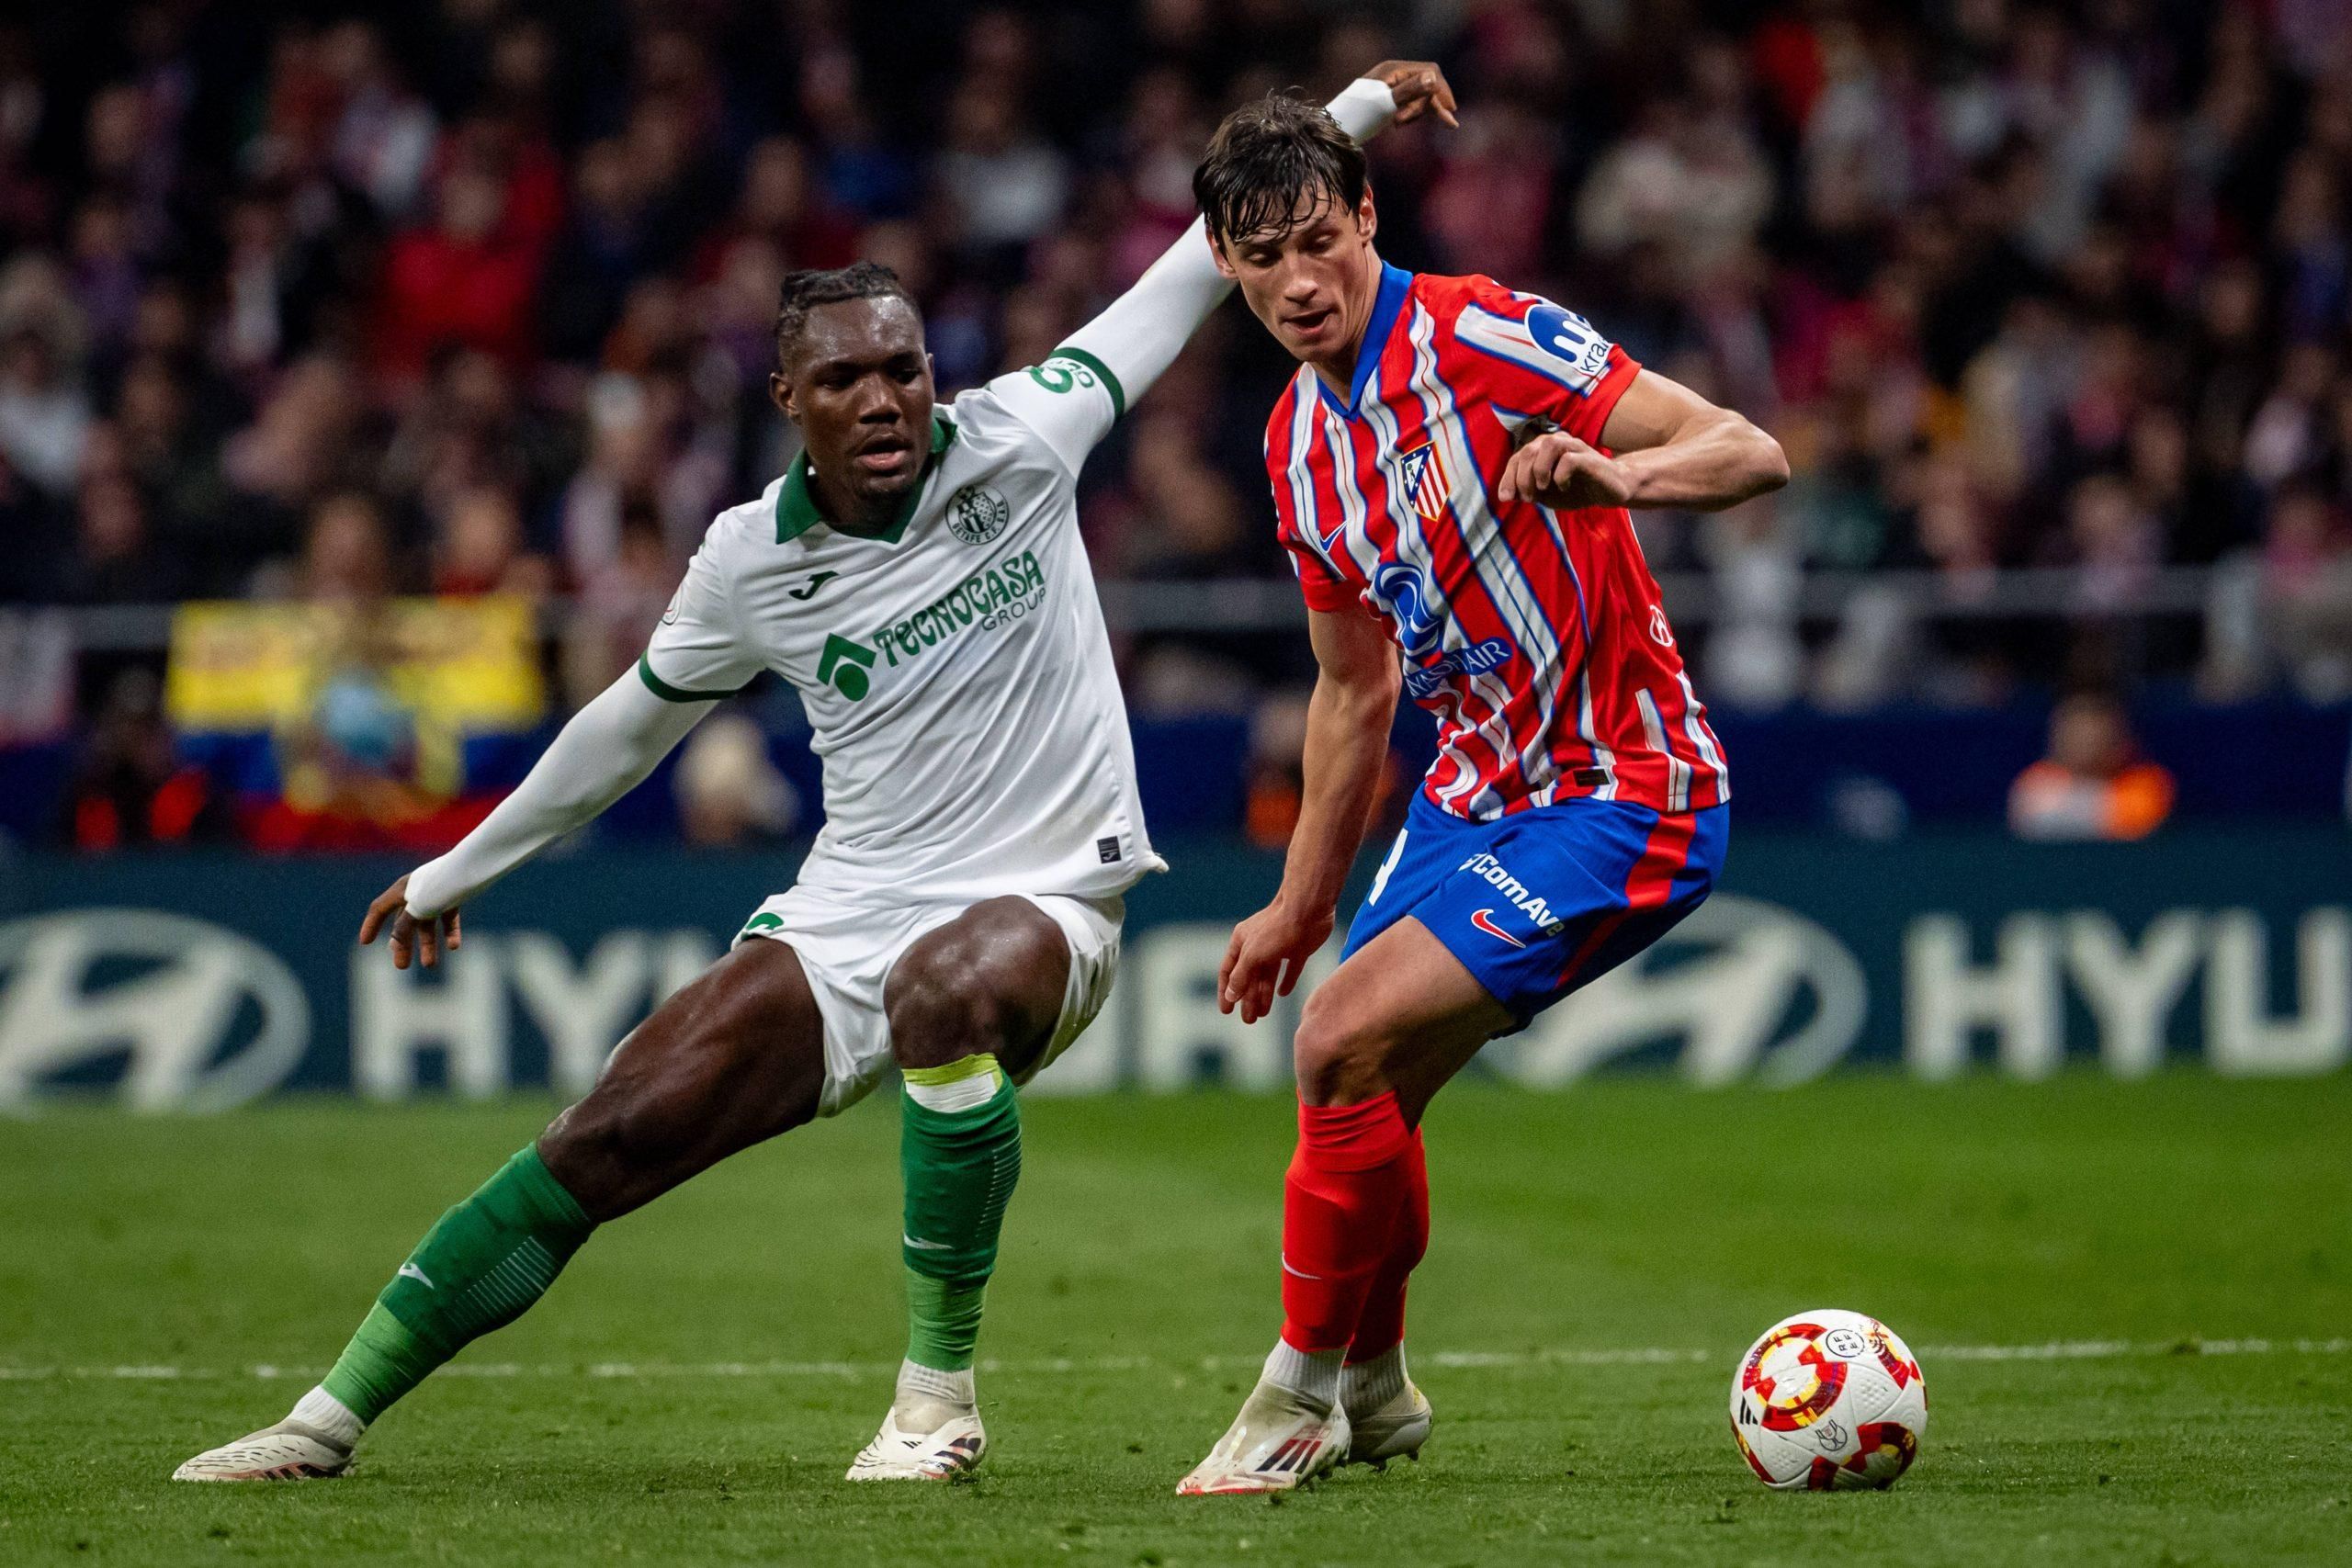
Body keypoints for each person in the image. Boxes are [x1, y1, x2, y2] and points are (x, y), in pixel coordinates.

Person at [171, 62, 1451, 1488]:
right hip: (846, 914)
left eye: (901, 366)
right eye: (842, 376)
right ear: (789, 397)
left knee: (947, 994)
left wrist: (1355, 108)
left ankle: (935, 1401)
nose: (884, 397)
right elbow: (622, 727)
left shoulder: (1031, 428)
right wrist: (458, 866)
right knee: (604, 1132)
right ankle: (327, 1414)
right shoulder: (747, 561)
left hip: (1047, 900)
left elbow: (1190, 271)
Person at [1175, 92, 1789, 1495]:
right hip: (1470, 792)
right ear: (1224, 261)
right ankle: (1377, 1387)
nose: (1301, 281)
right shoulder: (1293, 447)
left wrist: (1615, 476)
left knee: (1337, 1038)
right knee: (1364, 1080)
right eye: (1264, 258)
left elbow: (1751, 447)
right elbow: (1351, 689)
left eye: (1321, 240)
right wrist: (1296, 898)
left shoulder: (1481, 330)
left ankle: (1293, 1395)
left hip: (1628, 787)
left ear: (1368, 216)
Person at [2007, 691, 2174, 840]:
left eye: (2095, 737)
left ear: (2120, 741)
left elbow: (2133, 825)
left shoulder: (2147, 783)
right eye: (2076, 736)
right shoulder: (2037, 780)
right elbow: (2030, 824)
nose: (2087, 747)